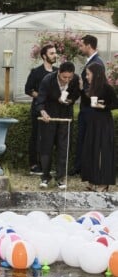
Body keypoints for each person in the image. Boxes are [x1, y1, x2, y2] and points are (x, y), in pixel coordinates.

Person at [35, 61, 80, 189]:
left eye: (69, 77)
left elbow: (76, 94)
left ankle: (60, 177)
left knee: (63, 147)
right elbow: (40, 100)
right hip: (49, 116)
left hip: (65, 116)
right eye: (64, 77)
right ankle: (45, 177)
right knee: (46, 147)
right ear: (59, 72)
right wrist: (43, 112)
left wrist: (69, 100)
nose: (67, 80)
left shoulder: (75, 79)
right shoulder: (47, 80)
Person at [80, 62, 118, 192]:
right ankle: (92, 180)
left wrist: (103, 106)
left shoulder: (107, 88)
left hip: (104, 123)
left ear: (95, 74)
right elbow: (86, 103)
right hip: (93, 123)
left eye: (88, 74)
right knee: (91, 149)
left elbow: (115, 104)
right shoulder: (92, 88)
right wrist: (81, 90)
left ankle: (104, 183)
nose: (86, 76)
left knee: (103, 151)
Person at [72, 34, 105, 176]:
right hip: (86, 108)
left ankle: (81, 168)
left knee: (86, 139)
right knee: (83, 138)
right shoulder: (92, 61)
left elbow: (95, 88)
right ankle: (80, 167)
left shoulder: (97, 63)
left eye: (81, 45)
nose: (80, 47)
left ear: (89, 46)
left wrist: (80, 88)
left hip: (90, 109)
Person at [24, 43, 57, 175]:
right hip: (38, 109)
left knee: (50, 138)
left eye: (55, 53)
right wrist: (40, 96)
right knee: (36, 136)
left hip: (53, 110)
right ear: (44, 56)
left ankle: (46, 165)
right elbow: (27, 89)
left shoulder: (57, 71)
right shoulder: (36, 72)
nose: (55, 55)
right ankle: (34, 165)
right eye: (52, 53)